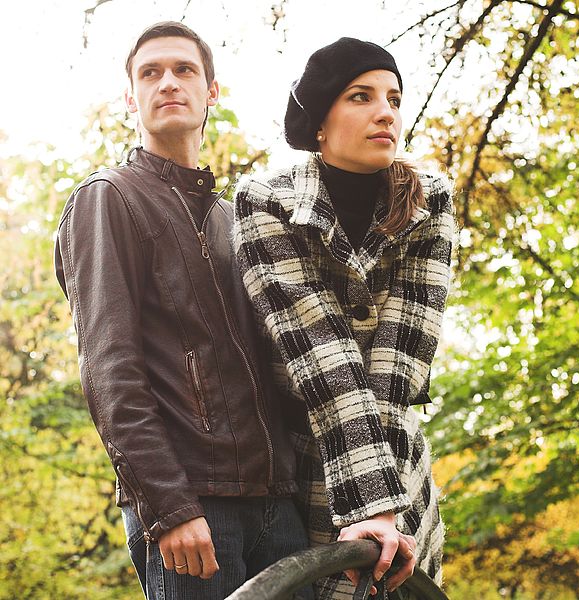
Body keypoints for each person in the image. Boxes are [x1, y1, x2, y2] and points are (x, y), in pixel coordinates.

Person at [54, 21, 311, 599]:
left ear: (210, 93)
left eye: (184, 70)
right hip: (193, 508)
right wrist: (167, 504)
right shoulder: (108, 198)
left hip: (277, 506)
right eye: (151, 73)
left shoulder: (233, 218)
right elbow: (109, 369)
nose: (168, 82)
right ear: (131, 99)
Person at [232, 37, 455, 598]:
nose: (386, 112)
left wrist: (385, 510)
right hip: (306, 467)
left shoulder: (432, 201)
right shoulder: (264, 203)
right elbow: (320, 355)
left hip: (399, 463)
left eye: (394, 97)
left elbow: (399, 365)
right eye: (361, 96)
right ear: (319, 125)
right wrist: (366, 505)